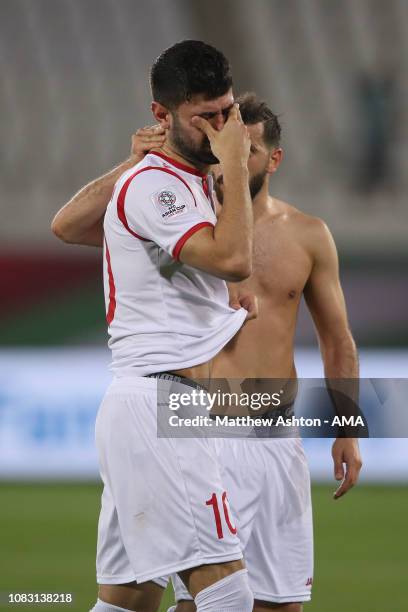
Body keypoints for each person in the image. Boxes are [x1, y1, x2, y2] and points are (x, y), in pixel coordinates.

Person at [53, 88, 363, 612]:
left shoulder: (308, 235)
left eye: (247, 149)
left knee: (279, 605)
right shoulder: (184, 217)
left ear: (274, 159)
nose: (231, 157)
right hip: (196, 424)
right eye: (226, 147)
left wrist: (348, 429)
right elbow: (71, 226)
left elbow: (339, 341)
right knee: (211, 596)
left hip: (274, 434)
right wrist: (136, 160)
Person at [53, 40, 256, 612]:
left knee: (130, 601)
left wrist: (227, 301)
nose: (222, 130)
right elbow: (235, 260)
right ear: (161, 116)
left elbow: (209, 267)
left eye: (228, 113)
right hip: (160, 404)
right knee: (230, 597)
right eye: (206, 119)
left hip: (162, 405)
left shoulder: (183, 182)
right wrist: (237, 163)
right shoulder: (155, 185)